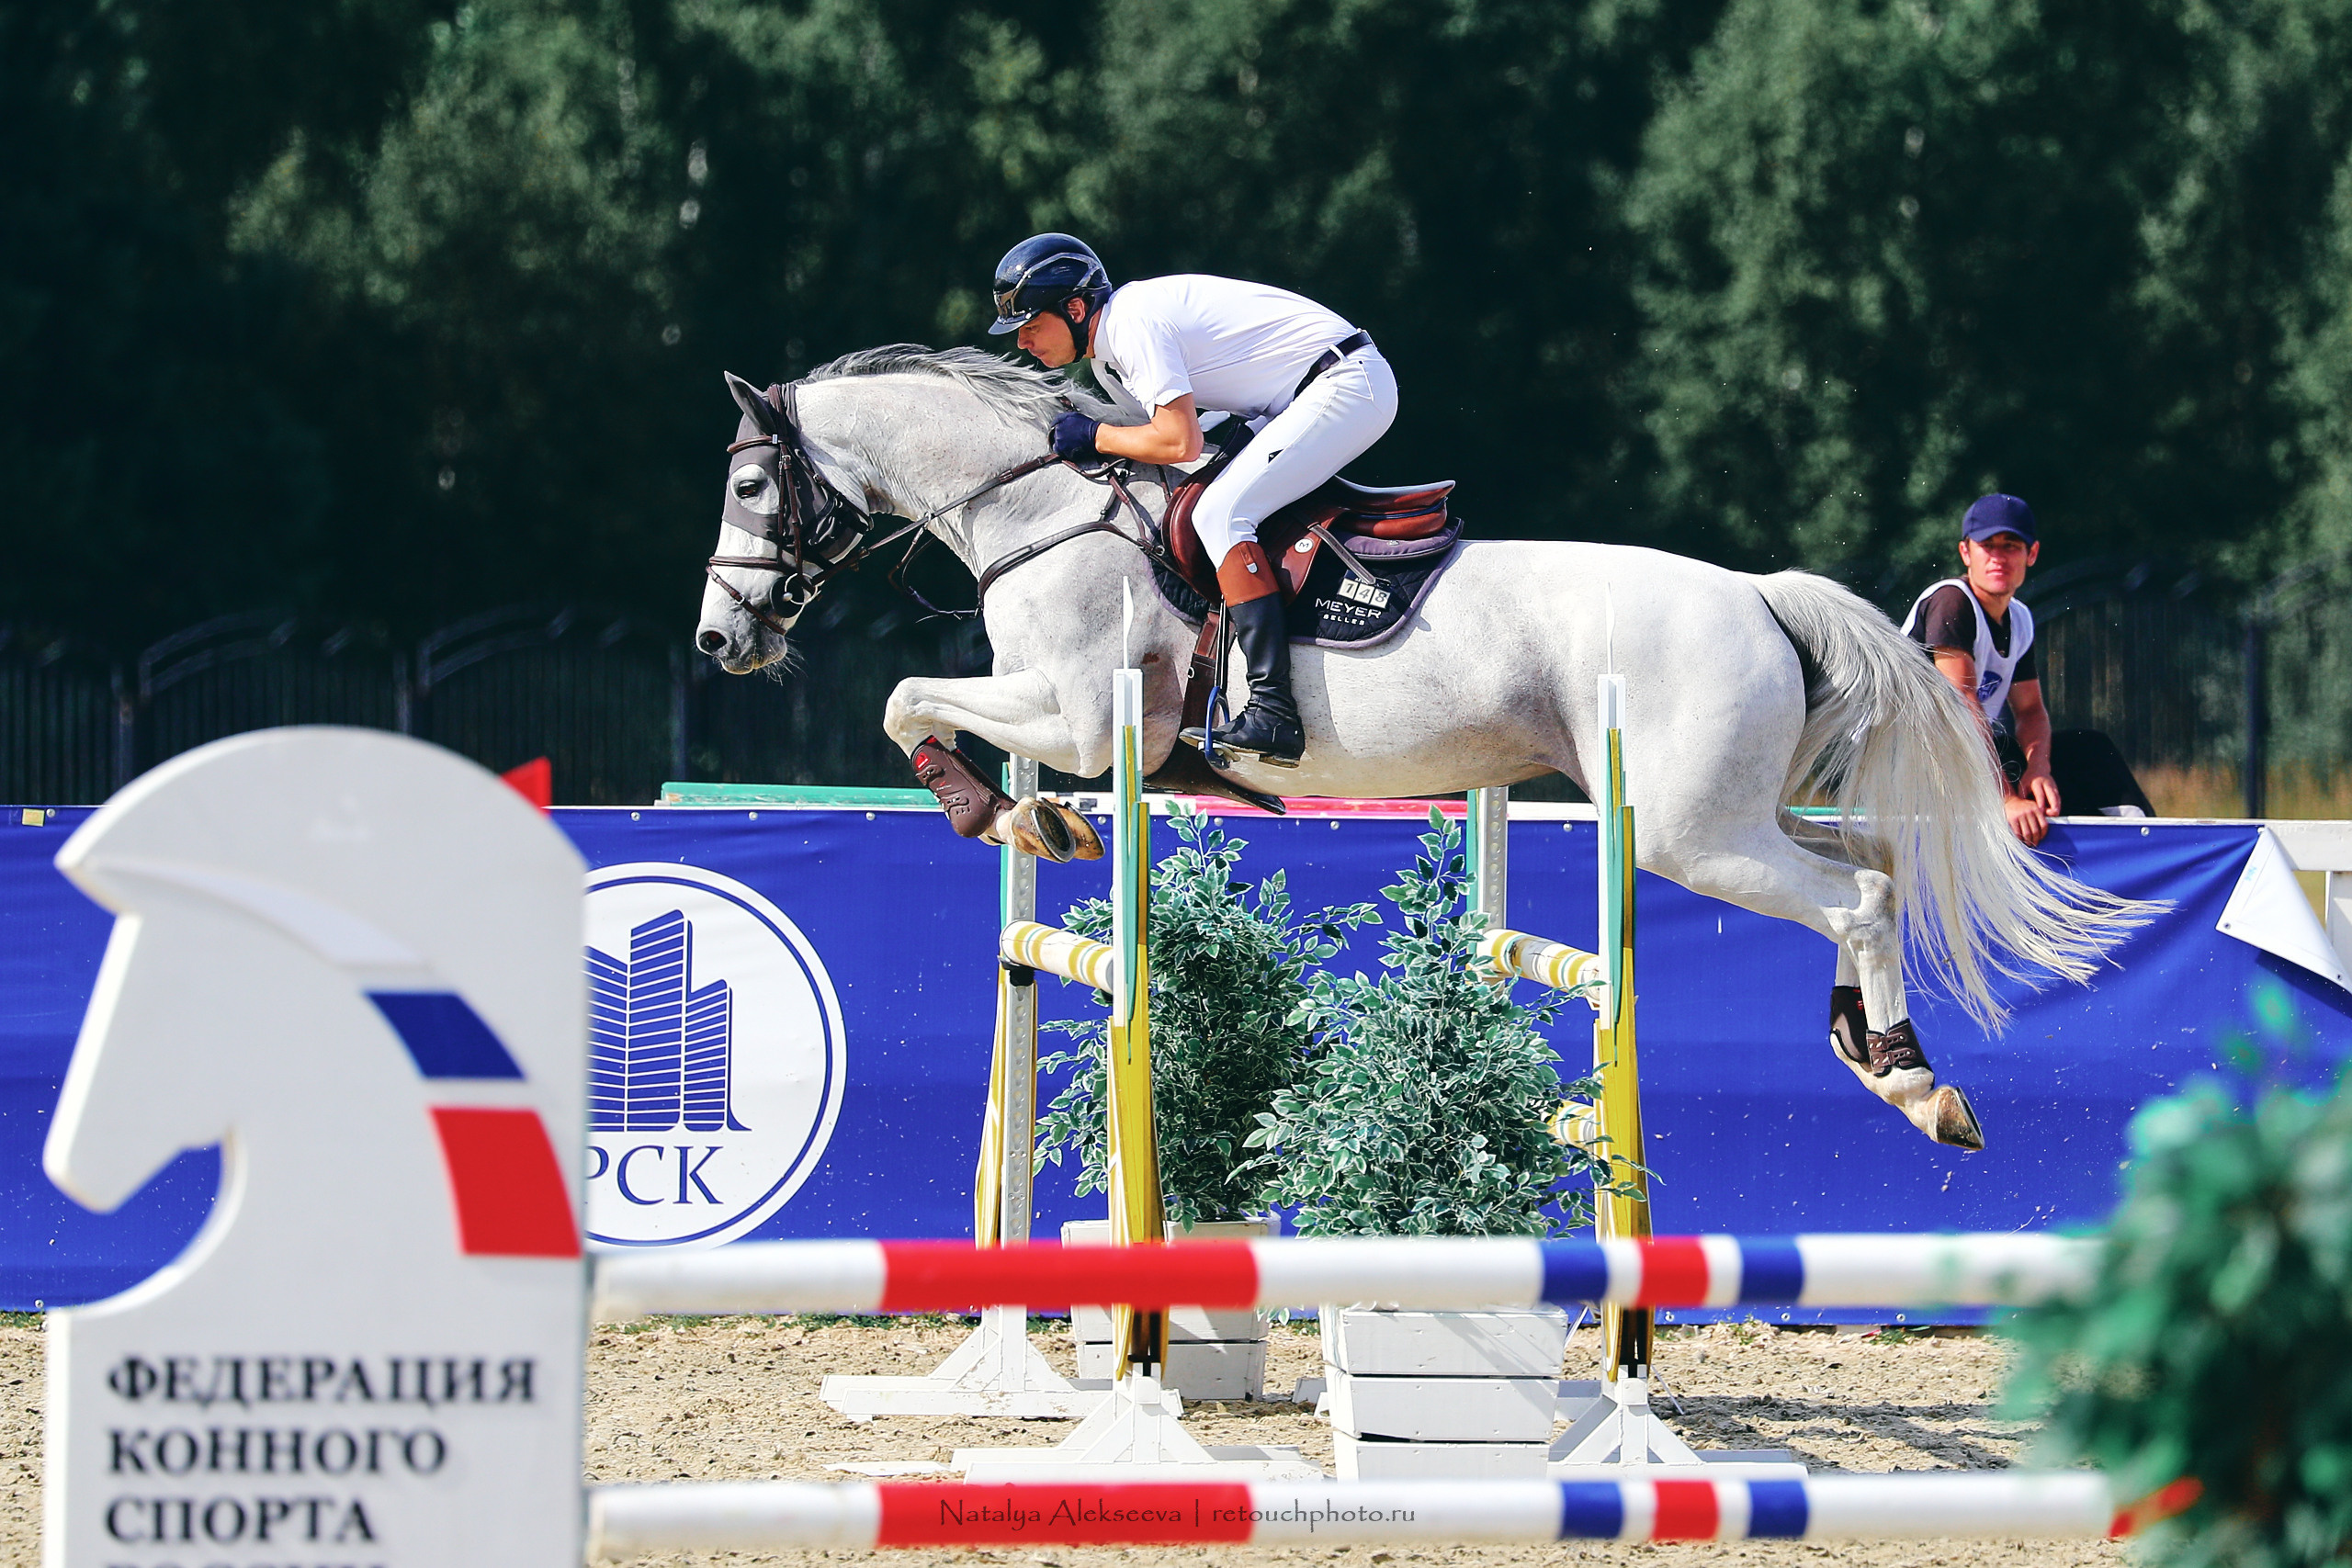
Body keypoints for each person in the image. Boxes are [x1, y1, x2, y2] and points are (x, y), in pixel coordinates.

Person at [986, 232, 1396, 765]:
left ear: (1077, 306)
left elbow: (1179, 440)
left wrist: (1094, 436)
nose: (1022, 342)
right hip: (1289, 397)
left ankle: (1274, 711)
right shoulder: (1108, 358)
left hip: (1344, 383)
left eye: (1031, 325)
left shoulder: (1130, 325)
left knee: (1223, 514)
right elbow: (1175, 445)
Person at [1902, 493, 2154, 846]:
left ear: (2031, 554)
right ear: (1965, 553)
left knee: (2090, 751)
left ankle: (2144, 852)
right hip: (1905, 763)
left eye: (2011, 546)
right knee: (2007, 761)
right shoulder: (1952, 601)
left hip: (1961, 755)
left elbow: (2031, 710)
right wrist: (2005, 799)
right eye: (1987, 545)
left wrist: (2039, 768)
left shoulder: (2019, 618)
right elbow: (1960, 706)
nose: (1998, 557)